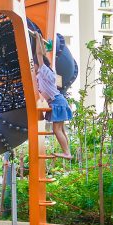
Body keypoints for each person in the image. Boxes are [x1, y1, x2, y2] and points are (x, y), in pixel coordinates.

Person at [31, 30, 72, 159]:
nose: (33, 67)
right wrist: (39, 40)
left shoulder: (44, 71)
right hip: (59, 101)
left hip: (57, 102)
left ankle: (67, 153)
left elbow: (39, 55)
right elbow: (42, 54)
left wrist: (37, 38)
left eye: (34, 65)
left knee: (57, 130)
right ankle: (68, 151)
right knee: (61, 129)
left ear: (38, 65)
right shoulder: (46, 73)